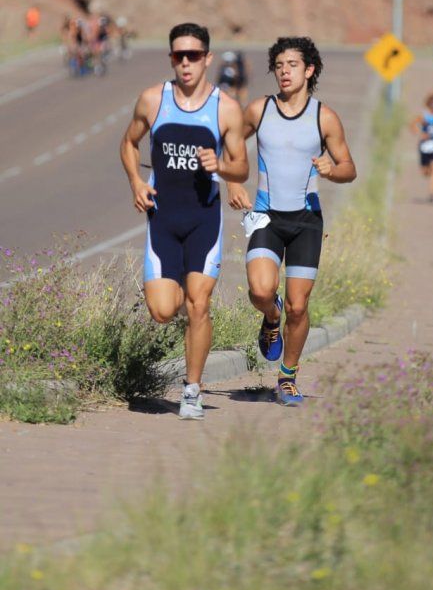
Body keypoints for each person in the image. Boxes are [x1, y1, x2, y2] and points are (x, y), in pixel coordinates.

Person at [119, 23, 249, 419]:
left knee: (199, 304)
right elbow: (128, 143)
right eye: (179, 55)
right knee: (162, 310)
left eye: (194, 55)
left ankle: (191, 390)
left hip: (203, 220)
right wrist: (137, 182)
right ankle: (182, 310)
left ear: (207, 58)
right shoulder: (153, 100)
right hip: (163, 219)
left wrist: (222, 167)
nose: (186, 62)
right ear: (172, 59)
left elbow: (240, 167)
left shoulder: (225, 107)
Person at [225, 37, 357, 406]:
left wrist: (334, 170)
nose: (284, 71)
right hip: (266, 216)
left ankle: (287, 377)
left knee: (300, 306)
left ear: (309, 70)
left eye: (292, 65)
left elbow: (350, 168)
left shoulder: (324, 117)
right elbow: (231, 144)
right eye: (279, 65)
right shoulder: (259, 110)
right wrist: (234, 181)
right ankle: (271, 318)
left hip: (306, 220)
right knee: (261, 291)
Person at [410, 94, 433, 204]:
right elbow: (412, 125)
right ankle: (428, 175)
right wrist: (419, 132)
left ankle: (432, 193)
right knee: (425, 172)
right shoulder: (424, 115)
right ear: (429, 104)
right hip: (424, 146)